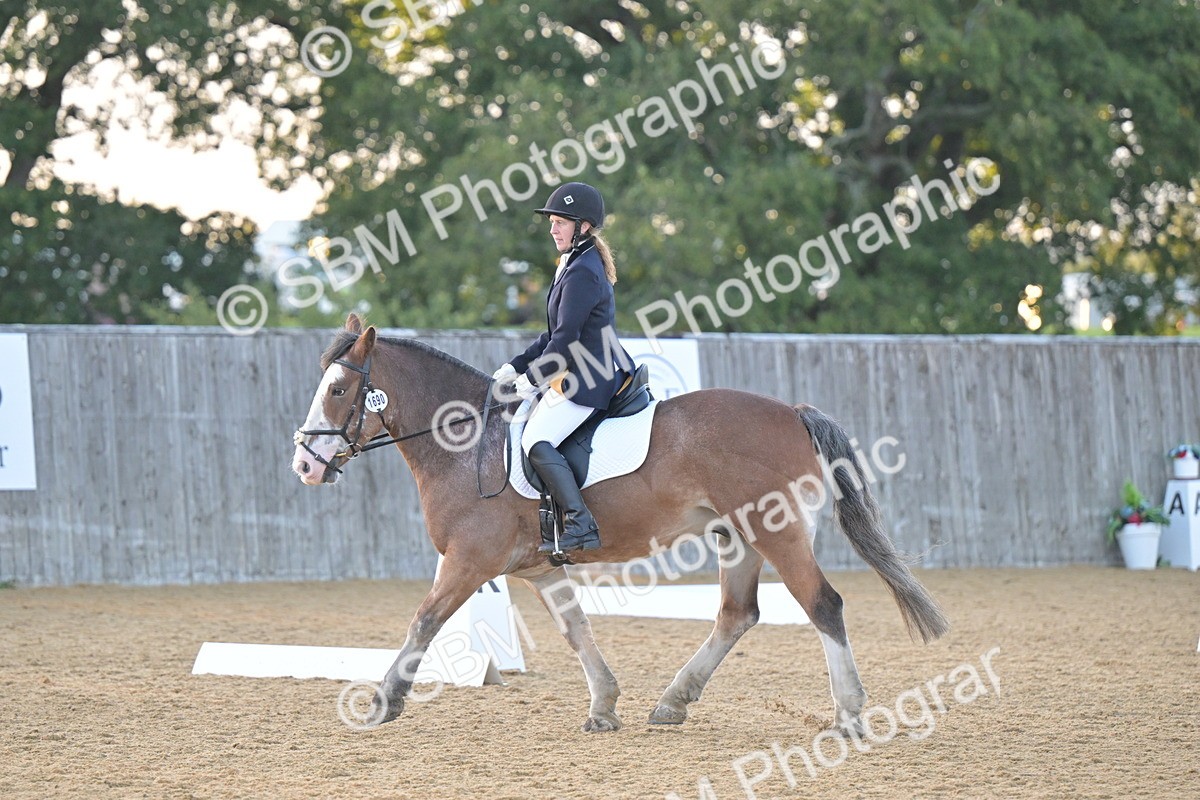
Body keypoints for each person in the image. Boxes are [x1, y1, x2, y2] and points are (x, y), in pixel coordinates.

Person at [492, 182, 634, 553]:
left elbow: (567, 340)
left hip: (589, 378)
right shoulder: (572, 264)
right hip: (573, 373)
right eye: (552, 222)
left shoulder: (585, 270)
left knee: (535, 439)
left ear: (583, 226)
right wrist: (514, 366)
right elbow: (552, 333)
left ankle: (580, 522)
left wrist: (530, 382)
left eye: (560, 222)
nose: (553, 229)